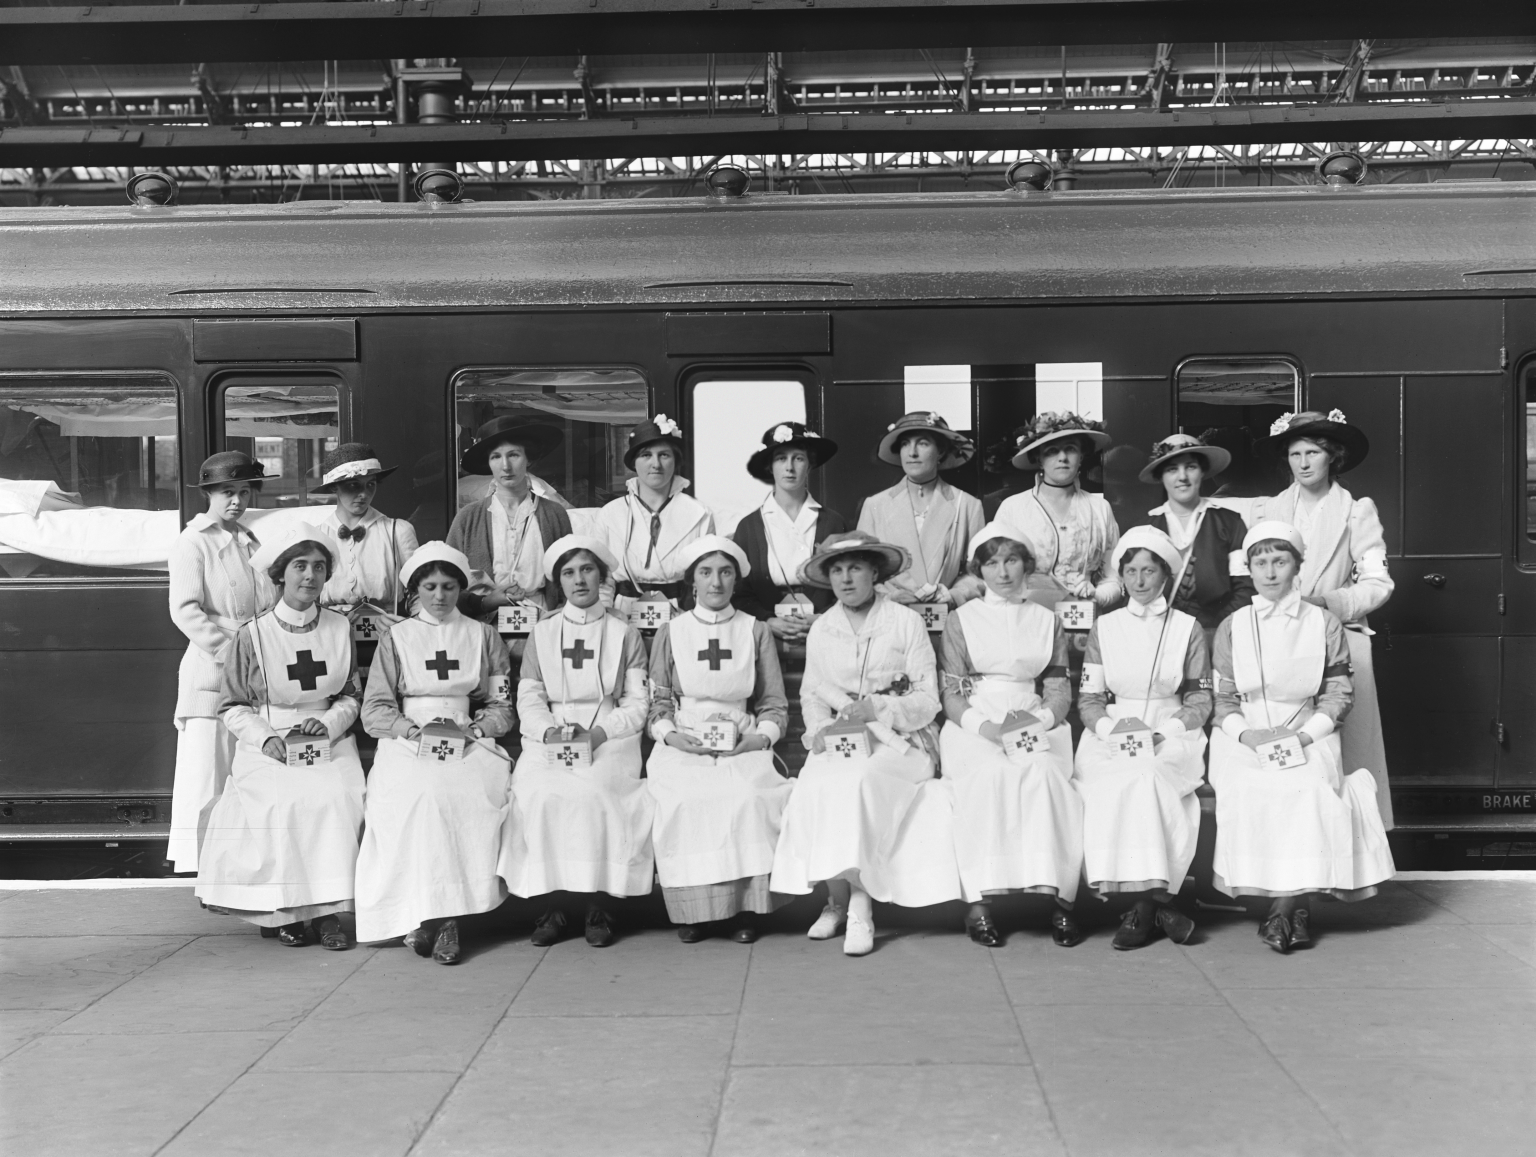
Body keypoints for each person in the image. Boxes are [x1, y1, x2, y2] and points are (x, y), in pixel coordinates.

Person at [769, 531, 961, 956]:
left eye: (855, 567)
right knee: (815, 782)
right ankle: (835, 899)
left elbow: (928, 701)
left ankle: (860, 905)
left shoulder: (904, 622)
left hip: (903, 743)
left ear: (875, 572)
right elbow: (813, 694)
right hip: (841, 740)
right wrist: (819, 731)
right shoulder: (824, 628)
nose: (846, 578)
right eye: (836, 570)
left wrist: (878, 709)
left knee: (860, 781)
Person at [1208, 521, 1395, 954]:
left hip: (1309, 732)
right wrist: (1249, 736)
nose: (1270, 572)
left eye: (1280, 561)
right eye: (1260, 562)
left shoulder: (1324, 623)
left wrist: (1305, 739)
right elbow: (1224, 701)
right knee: (1246, 785)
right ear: (1249, 569)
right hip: (1247, 734)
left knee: (1308, 787)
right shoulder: (1233, 626)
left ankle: (1283, 908)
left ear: (1297, 566)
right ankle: (1294, 909)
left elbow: (1338, 694)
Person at [195, 523, 364, 949]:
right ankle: (285, 910)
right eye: (300, 566)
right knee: (280, 802)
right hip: (268, 740)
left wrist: (325, 725)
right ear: (280, 573)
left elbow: (350, 696)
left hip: (326, 737)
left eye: (320, 567)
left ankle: (327, 914)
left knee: (336, 797)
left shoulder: (341, 628)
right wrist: (266, 738)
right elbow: (232, 705)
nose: (310, 576)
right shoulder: (252, 635)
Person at [355, 542, 514, 964]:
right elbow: (375, 709)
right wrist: (410, 730)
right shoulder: (397, 637)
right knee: (416, 797)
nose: (440, 596)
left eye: (448, 586)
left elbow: (502, 705)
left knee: (456, 796)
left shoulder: (483, 636)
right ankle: (426, 919)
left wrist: (478, 728)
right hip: (407, 739)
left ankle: (444, 920)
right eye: (430, 586)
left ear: (461, 589)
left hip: (467, 738)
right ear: (415, 591)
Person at [499, 535, 654, 947]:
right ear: (558, 582)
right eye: (568, 572)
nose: (579, 580)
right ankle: (552, 905)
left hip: (609, 732)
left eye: (587, 569)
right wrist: (548, 730)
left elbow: (638, 702)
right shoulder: (543, 632)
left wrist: (601, 733)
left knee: (598, 791)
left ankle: (598, 905)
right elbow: (529, 696)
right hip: (551, 732)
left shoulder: (624, 633)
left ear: (601, 575)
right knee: (539, 793)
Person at [938, 524, 1084, 949]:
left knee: (1043, 776)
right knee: (987, 777)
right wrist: (986, 729)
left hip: (1034, 720)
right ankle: (980, 902)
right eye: (991, 562)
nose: (1002, 572)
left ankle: (1059, 900)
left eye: (1011, 560)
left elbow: (1058, 687)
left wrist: (1038, 721)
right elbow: (951, 690)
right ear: (979, 568)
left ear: (1027, 564)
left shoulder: (1045, 620)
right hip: (977, 721)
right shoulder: (961, 620)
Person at [1250, 409, 1396, 829]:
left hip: (1340, 641)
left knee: (1346, 752)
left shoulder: (1356, 511)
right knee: (1287, 745)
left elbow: (1378, 583)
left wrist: (1328, 603)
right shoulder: (1270, 510)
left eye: (1312, 452)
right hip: (1282, 639)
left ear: (1333, 456)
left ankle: (1346, 852)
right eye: (1295, 453)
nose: (1303, 463)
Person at [646, 536, 794, 943]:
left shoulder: (754, 630)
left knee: (745, 794)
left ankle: (744, 909)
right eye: (706, 573)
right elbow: (658, 702)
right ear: (692, 581)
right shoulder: (672, 631)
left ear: (736, 579)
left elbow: (773, 703)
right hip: (685, 737)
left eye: (725, 572)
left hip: (741, 736)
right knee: (684, 798)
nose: (716, 582)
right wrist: (672, 736)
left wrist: (758, 740)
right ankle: (694, 911)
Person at [1074, 526, 1211, 950]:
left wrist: (1164, 731)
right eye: (1130, 571)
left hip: (1173, 729)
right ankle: (1155, 905)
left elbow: (1201, 698)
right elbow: (1090, 699)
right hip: (1112, 730)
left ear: (1165, 575)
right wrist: (1110, 731)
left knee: (1149, 775)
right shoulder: (1106, 627)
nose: (1138, 580)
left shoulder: (1188, 628)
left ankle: (1144, 907)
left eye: (1148, 570)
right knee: (1112, 780)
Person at [167, 451, 271, 873]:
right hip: (213, 667)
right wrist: (232, 654)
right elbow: (186, 610)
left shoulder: (251, 540)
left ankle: (234, 861)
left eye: (244, 491)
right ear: (209, 493)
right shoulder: (193, 542)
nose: (237, 501)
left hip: (255, 663)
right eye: (228, 491)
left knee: (244, 767)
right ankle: (198, 863)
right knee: (207, 766)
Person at [995, 412, 1122, 619]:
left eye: (1070, 449)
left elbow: (1114, 577)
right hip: (1026, 619)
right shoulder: (1013, 509)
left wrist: (1096, 595)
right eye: (1052, 451)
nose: (1062, 458)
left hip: (1082, 621)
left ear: (1081, 456)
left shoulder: (1100, 508)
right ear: (1039, 458)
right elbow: (993, 575)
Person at [856, 411, 986, 612]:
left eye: (923, 443)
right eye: (905, 444)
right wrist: (888, 596)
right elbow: (859, 568)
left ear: (941, 451)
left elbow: (979, 572)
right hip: (890, 615)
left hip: (946, 617)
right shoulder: (875, 505)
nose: (912, 452)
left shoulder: (967, 505)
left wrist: (954, 595)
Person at [447, 418, 573, 625]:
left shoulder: (554, 513)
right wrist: (485, 602)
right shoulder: (468, 518)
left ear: (529, 458)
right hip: (484, 623)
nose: (505, 466)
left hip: (543, 620)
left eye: (513, 455)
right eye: (496, 457)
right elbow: (448, 578)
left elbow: (569, 572)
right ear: (488, 462)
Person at [731, 421, 848, 638]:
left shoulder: (832, 522)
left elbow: (848, 584)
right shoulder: (749, 527)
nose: (789, 467)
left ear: (810, 465)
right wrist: (768, 620)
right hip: (765, 633)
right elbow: (739, 593)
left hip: (826, 629)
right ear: (770, 466)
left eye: (799, 458)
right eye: (781, 458)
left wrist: (822, 618)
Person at [596, 415, 714, 624]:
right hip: (623, 613)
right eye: (646, 455)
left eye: (664, 455)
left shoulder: (699, 513)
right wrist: (605, 615)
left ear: (676, 460)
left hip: (681, 612)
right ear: (634, 462)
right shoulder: (610, 513)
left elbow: (706, 574)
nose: (656, 464)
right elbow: (601, 576)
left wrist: (696, 618)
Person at [1140, 433, 1254, 637]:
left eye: (1190, 467)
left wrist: (1217, 630)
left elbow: (1244, 589)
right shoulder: (1147, 527)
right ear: (1161, 476)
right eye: (1172, 469)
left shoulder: (1229, 522)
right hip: (1158, 634)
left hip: (1216, 632)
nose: (1182, 477)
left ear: (1202, 472)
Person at [313, 442, 420, 616]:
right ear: (334, 486)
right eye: (354, 485)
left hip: (385, 630)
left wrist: (408, 628)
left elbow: (420, 591)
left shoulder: (397, 531)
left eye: (370, 484)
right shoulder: (317, 536)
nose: (364, 494)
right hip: (331, 631)